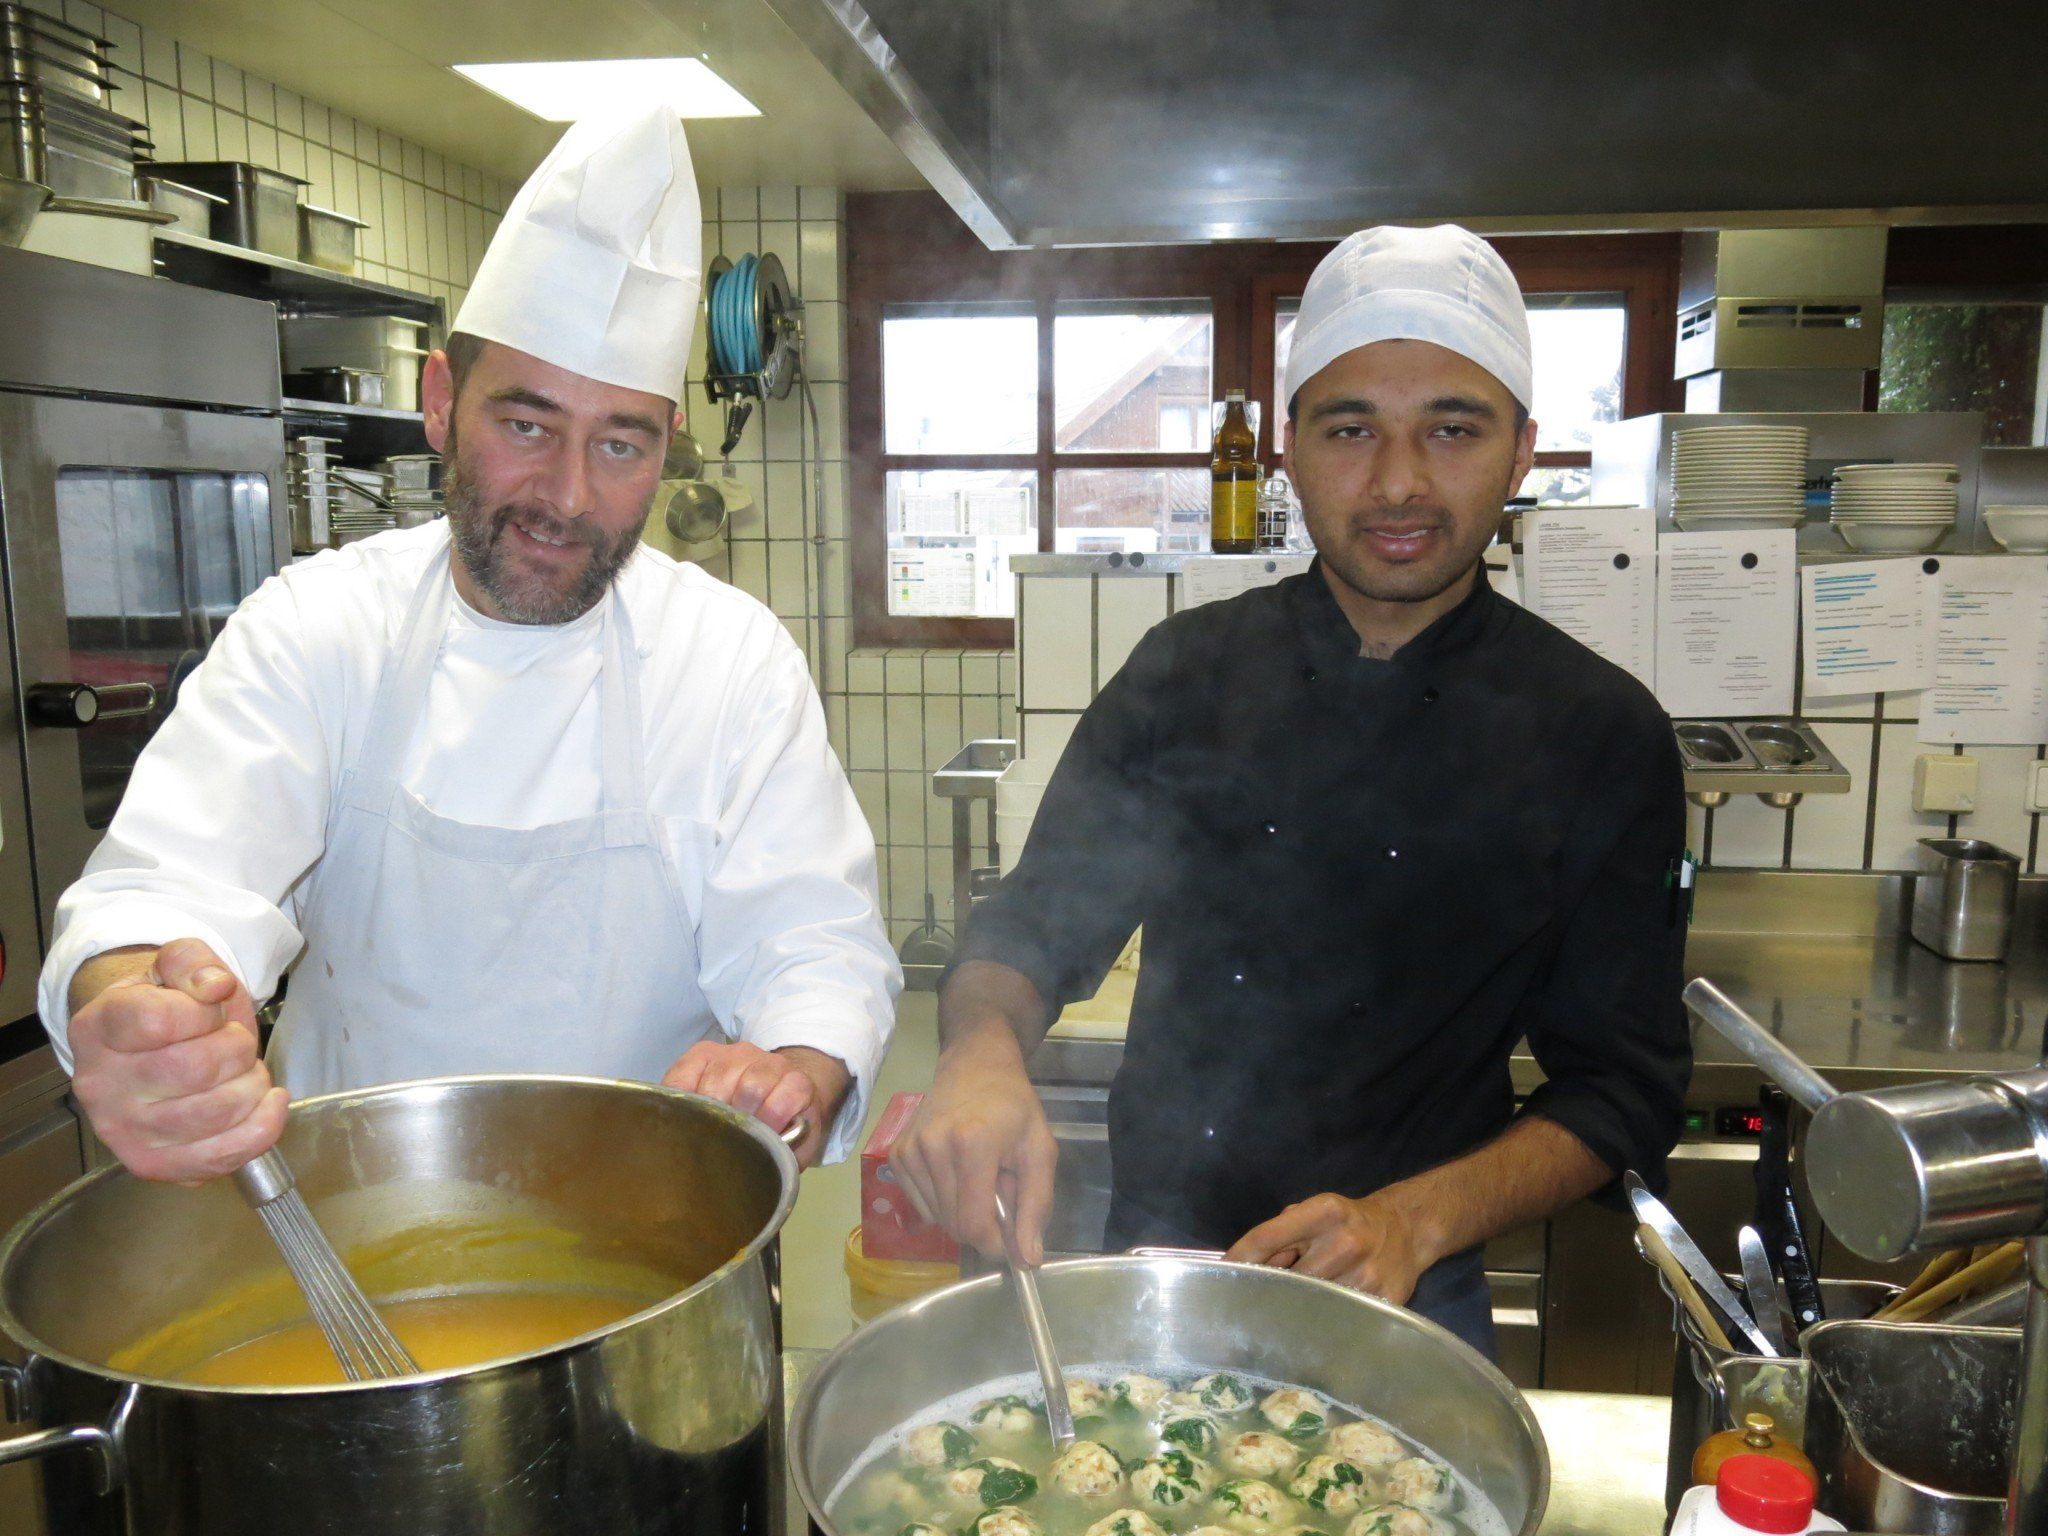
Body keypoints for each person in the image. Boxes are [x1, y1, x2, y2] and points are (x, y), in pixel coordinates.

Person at [38, 103, 898, 1184]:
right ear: (441, 403)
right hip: (349, 1235)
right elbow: (166, 889)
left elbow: (811, 943)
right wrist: (135, 1005)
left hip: (662, 1233)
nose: (568, 497)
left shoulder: (728, 659)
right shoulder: (317, 629)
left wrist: (792, 1071)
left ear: (665, 446)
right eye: (526, 426)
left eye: (619, 444)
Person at [891, 224, 1689, 1354]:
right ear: (1286, 449)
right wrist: (977, 1051)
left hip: (1410, 1286)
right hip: (1160, 1258)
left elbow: (1621, 1089)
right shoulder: (1183, 674)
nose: (1398, 482)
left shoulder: (1599, 733)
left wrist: (1412, 1220)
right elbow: (1032, 925)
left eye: (1450, 429)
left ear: (1520, 453)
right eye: (1350, 428)